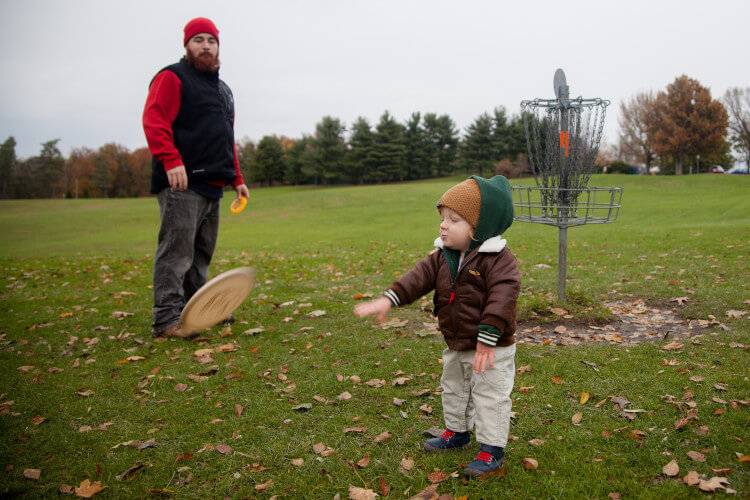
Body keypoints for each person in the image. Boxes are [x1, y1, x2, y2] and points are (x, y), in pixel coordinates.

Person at [354, 175, 520, 477]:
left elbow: (504, 295)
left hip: (490, 346)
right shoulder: (442, 257)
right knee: (454, 387)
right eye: (443, 218)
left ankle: (491, 450)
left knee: (489, 393)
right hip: (456, 341)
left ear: (480, 227)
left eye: (454, 220)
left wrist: (489, 334)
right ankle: (457, 432)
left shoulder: (498, 259)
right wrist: (388, 300)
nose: (443, 225)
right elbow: (416, 279)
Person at [143, 17, 249, 338]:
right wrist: (170, 160)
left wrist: (236, 177)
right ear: (187, 45)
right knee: (177, 253)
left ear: (218, 47)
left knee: (201, 253)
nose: (206, 45)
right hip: (181, 182)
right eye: (199, 39)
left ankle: (196, 309)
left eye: (211, 41)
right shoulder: (172, 77)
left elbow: (225, 136)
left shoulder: (222, 89)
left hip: (214, 183)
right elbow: (154, 119)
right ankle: (166, 321)